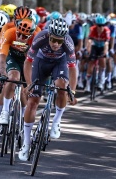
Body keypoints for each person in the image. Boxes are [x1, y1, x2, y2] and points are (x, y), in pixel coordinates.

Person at [18, 17, 78, 162]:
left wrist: (73, 91)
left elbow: (73, 69)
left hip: (59, 63)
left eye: (60, 41)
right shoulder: (41, 37)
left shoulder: (68, 43)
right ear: (49, 35)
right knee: (33, 101)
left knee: (62, 87)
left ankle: (56, 121)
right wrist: (29, 84)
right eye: (53, 40)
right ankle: (26, 142)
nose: (56, 44)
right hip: (41, 63)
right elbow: (28, 62)